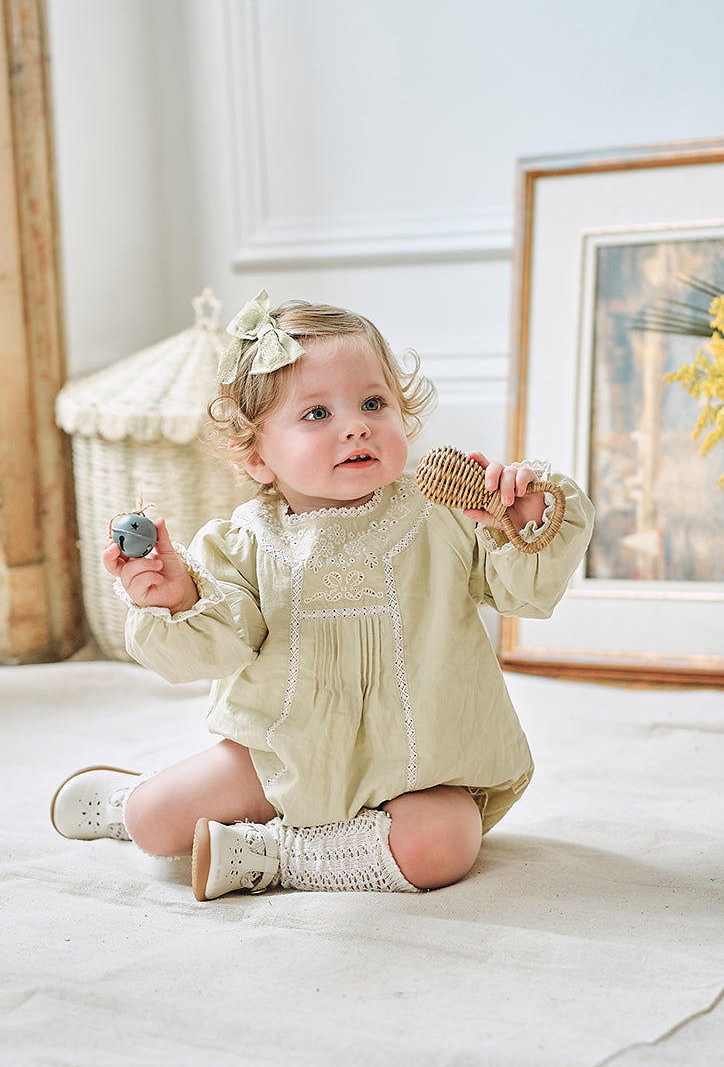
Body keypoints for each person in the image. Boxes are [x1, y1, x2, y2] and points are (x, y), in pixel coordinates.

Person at [51, 290, 595, 901]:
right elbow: (218, 648)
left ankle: (277, 857)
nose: (357, 425)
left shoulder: (444, 515)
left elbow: (521, 592)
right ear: (257, 457)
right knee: (155, 823)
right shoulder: (243, 545)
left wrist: (525, 523)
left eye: (373, 403)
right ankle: (130, 801)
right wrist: (176, 600)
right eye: (317, 413)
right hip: (283, 756)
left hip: (422, 767)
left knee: (443, 844)